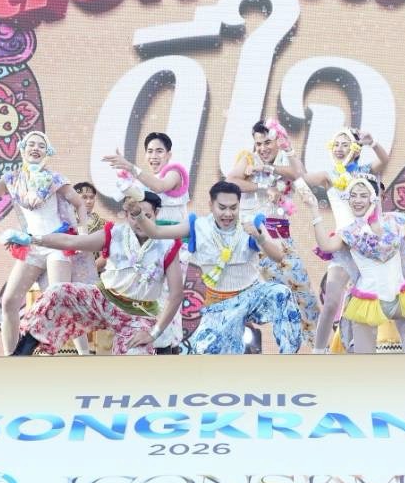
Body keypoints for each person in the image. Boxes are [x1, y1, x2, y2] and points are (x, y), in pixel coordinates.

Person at [132, 181, 303, 354]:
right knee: (205, 350)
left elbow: (279, 256)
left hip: (252, 295)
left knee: (281, 293)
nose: (228, 213)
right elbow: (156, 232)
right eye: (222, 207)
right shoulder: (197, 226)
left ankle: (288, 358)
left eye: (233, 208)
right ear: (211, 205)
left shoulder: (251, 223)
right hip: (220, 305)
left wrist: (260, 238)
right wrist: (137, 214)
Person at [9, 190, 184, 356]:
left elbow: (176, 295)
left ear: (156, 213)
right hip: (102, 301)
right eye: (134, 216)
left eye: (147, 216)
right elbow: (71, 242)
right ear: (126, 214)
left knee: (135, 355)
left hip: (138, 315)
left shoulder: (167, 245)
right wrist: (33, 239)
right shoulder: (115, 233)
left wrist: (153, 334)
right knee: (58, 292)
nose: (140, 222)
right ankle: (23, 351)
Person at [296, 175, 405, 353]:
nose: (357, 200)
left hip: (400, 298)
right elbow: (326, 246)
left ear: (373, 198)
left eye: (363, 195)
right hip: (367, 304)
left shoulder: (395, 221)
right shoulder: (349, 231)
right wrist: (314, 210)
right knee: (365, 363)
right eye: (353, 195)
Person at [0, 130, 86, 353]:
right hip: (31, 246)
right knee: (9, 302)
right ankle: (10, 358)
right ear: (22, 149)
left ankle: (84, 354)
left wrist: (82, 234)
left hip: (56, 245)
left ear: (47, 152)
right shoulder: (12, 179)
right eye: (31, 144)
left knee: (62, 301)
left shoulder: (55, 179)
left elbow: (79, 203)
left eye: (41, 146)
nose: (35, 148)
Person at [226, 120, 317, 346]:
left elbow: (299, 174)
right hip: (253, 240)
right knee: (260, 301)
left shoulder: (286, 160)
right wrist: (263, 187)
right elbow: (231, 181)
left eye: (267, 142)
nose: (263, 148)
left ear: (278, 141)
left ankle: (318, 347)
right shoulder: (248, 159)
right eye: (258, 144)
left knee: (303, 294)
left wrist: (269, 168)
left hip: (280, 238)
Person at [298, 128, 389, 353]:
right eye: (336, 144)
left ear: (355, 149)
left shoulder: (366, 172)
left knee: (369, 305)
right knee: (331, 303)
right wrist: (289, 151)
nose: (339, 149)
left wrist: (373, 142)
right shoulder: (328, 176)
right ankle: (319, 353)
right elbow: (301, 177)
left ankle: (363, 351)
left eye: (345, 144)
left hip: (367, 247)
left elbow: (384, 160)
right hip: (343, 245)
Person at [106, 131, 190, 351]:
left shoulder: (175, 172)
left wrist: (129, 166)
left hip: (173, 248)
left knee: (170, 299)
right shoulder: (141, 182)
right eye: (150, 151)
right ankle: (148, 347)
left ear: (169, 154)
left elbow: (160, 186)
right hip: (150, 250)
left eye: (159, 151)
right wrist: (124, 181)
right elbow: (129, 203)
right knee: (152, 300)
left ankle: (167, 350)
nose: (154, 156)